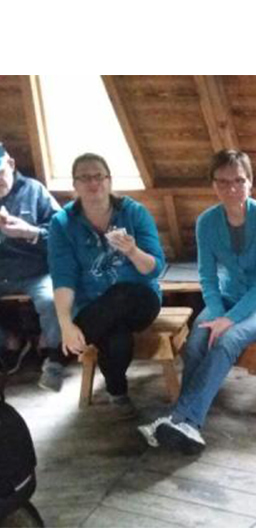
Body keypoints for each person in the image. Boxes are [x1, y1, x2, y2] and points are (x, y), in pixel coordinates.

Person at [138, 150, 256, 454]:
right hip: (227, 298)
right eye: (222, 182)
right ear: (213, 185)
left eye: (239, 181)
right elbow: (207, 277)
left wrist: (228, 321)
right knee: (196, 342)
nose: (231, 188)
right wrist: (219, 314)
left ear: (250, 182)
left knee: (226, 341)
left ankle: (184, 419)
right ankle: (184, 423)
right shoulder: (206, 222)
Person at [48, 153, 165, 405]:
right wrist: (66, 324)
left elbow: (155, 269)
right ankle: (118, 393)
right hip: (93, 308)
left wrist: (133, 252)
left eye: (98, 176)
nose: (93, 183)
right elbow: (63, 277)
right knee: (116, 337)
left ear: (109, 180)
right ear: (75, 184)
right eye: (85, 178)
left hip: (141, 300)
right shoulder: (62, 223)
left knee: (122, 293)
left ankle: (58, 357)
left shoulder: (134, 213)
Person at [0, 143, 65, 390]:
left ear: (11, 164)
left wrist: (29, 232)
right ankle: (10, 342)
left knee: (51, 299)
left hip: (36, 270)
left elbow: (62, 236)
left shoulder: (34, 191)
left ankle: (54, 355)